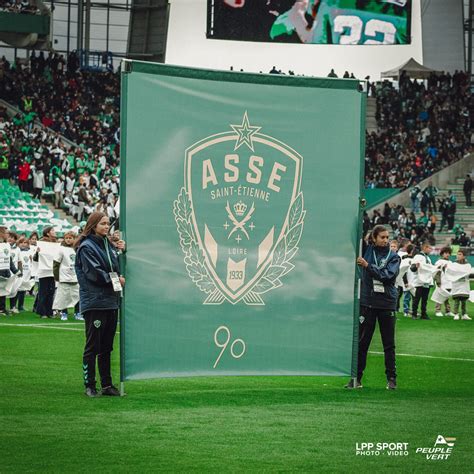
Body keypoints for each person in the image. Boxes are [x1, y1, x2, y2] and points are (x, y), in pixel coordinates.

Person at [75, 212, 126, 397]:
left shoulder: (108, 245)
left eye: (108, 224)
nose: (106, 226)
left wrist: (121, 250)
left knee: (107, 346)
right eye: (103, 224)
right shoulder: (86, 246)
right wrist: (116, 280)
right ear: (93, 225)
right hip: (95, 302)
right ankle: (89, 384)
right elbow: (93, 273)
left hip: (111, 301)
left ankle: (107, 384)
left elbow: (116, 266)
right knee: (93, 345)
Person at [346, 225, 401, 390]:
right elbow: (354, 235)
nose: (385, 240)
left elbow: (387, 276)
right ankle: (357, 379)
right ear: (374, 238)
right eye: (382, 237)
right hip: (367, 302)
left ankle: (391, 379)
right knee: (362, 343)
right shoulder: (366, 250)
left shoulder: (394, 257)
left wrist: (367, 266)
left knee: (388, 344)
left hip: (386, 304)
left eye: (387, 237)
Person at [52, 232, 82, 321]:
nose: (68, 239)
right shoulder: (61, 249)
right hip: (64, 277)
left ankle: (78, 313)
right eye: (67, 238)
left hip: (76, 277)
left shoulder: (78, 249)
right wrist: (57, 277)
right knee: (63, 297)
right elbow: (56, 264)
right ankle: (64, 313)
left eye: (71, 238)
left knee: (77, 296)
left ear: (75, 238)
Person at [410, 241, 434, 320]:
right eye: (429, 248)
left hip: (427, 281)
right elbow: (412, 268)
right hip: (419, 281)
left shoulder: (428, 258)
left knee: (425, 299)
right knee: (417, 298)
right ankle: (414, 313)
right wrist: (416, 266)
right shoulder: (418, 256)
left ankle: (423, 313)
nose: (430, 250)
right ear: (425, 248)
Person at [451, 249, 472, 321]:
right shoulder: (454, 264)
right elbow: (452, 273)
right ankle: (456, 314)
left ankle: (464, 314)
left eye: (460, 254)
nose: (458, 256)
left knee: (464, 301)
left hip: (464, 285)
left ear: (464, 256)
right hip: (457, 284)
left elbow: (469, 273)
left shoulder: (467, 265)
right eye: (457, 254)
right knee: (456, 301)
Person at [434, 246, 453, 317]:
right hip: (441, 282)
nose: (447, 254)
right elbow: (437, 273)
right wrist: (438, 281)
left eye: (448, 253)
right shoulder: (439, 262)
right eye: (446, 253)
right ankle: (437, 310)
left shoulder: (450, 262)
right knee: (439, 296)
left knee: (446, 297)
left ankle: (448, 311)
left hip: (448, 282)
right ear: (442, 254)